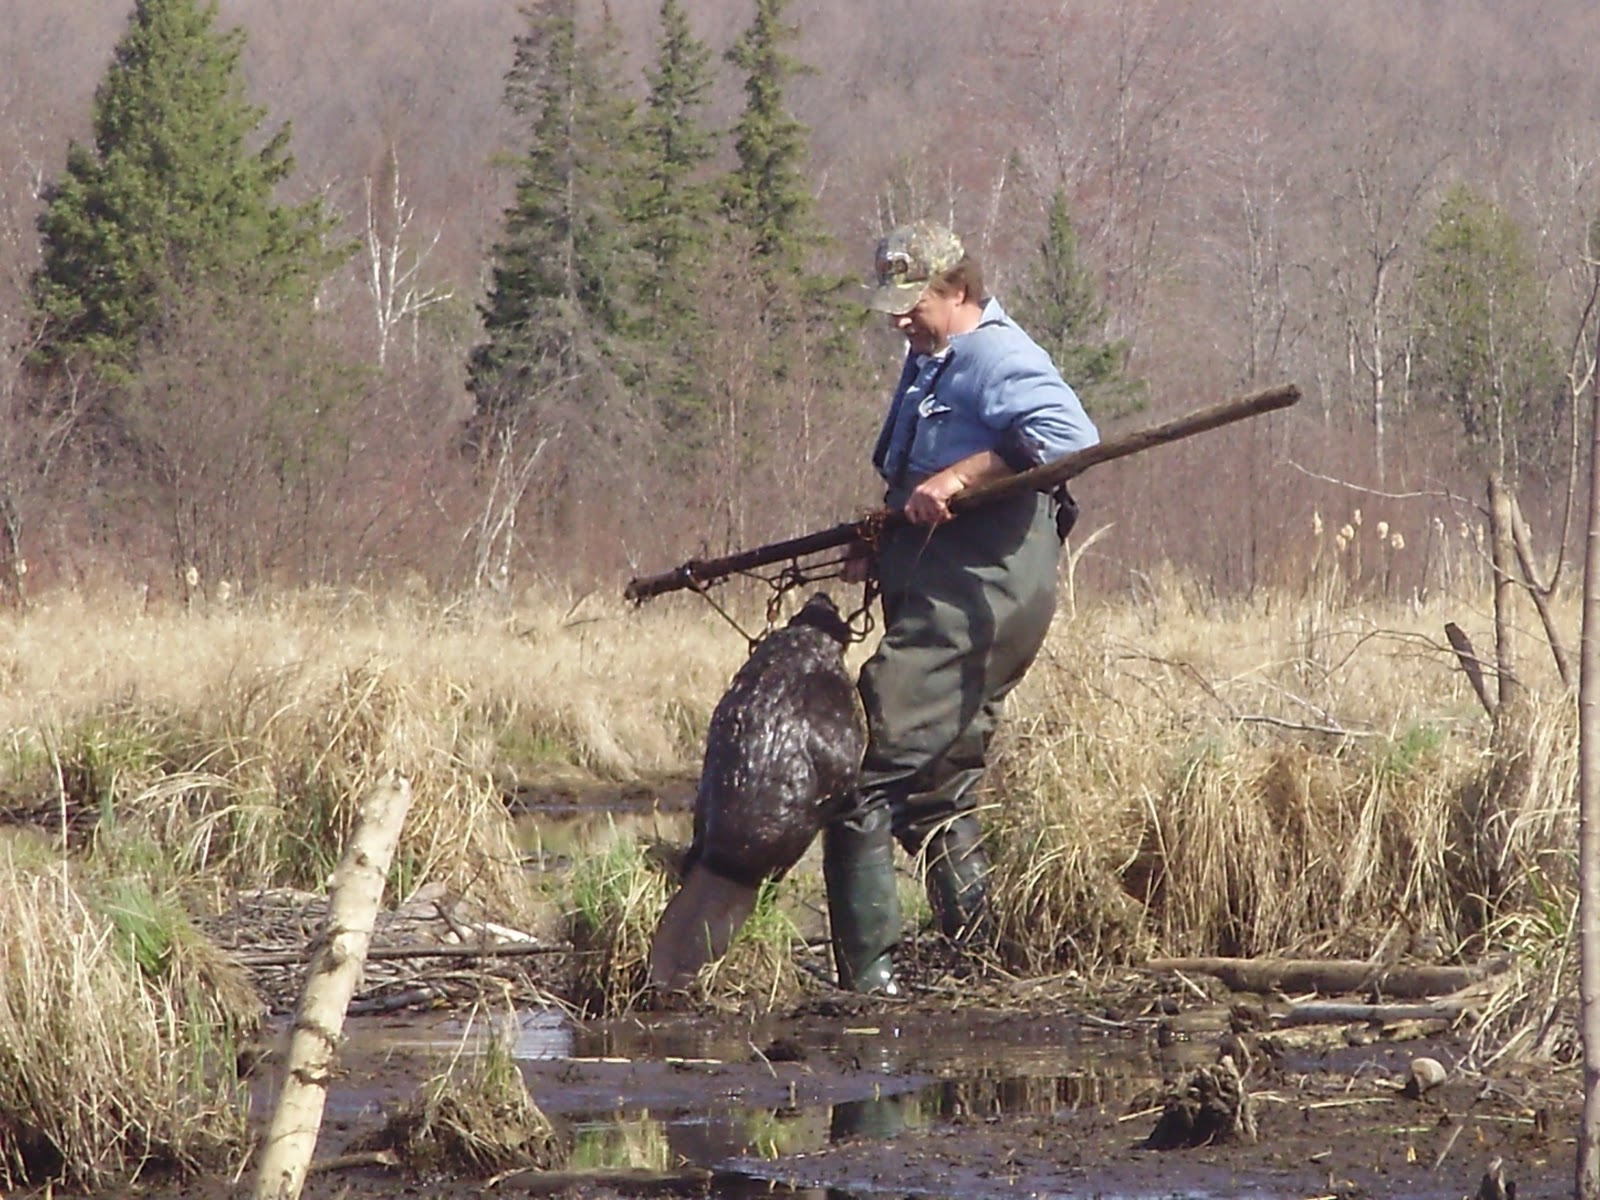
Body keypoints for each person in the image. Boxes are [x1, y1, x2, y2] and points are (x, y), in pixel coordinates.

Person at [826, 219, 1100, 994]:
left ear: (958, 290)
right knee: (938, 782)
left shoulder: (998, 356)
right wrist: (879, 538)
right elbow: (914, 476)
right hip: (940, 590)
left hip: (982, 595)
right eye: (892, 305)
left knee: (865, 774)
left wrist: (961, 478)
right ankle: (977, 959)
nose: (899, 318)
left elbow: (1073, 438)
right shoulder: (931, 363)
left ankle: (868, 987)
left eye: (913, 303)